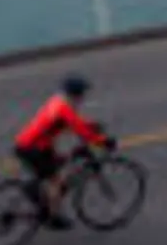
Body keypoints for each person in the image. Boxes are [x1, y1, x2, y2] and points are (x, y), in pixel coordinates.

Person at [13, 73, 113, 229]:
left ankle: (34, 187)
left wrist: (90, 125)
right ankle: (52, 218)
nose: (84, 97)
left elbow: (73, 123)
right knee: (56, 182)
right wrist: (104, 142)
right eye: (83, 94)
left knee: (60, 162)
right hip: (32, 148)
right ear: (77, 95)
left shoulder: (57, 101)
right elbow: (80, 130)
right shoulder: (65, 109)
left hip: (34, 144)